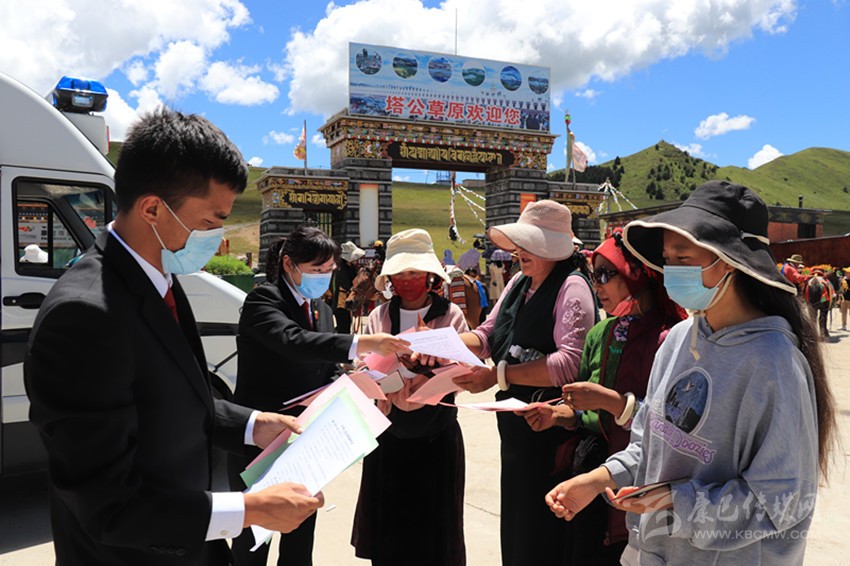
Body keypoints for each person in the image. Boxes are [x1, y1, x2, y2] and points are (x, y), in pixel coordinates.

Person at [24, 108, 325, 565]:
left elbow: (173, 398)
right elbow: (108, 506)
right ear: (152, 209)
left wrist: (252, 424)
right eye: (210, 222)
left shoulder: (157, 276)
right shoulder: (84, 316)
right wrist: (249, 510)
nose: (217, 235)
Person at [545, 181, 835, 565]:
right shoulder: (679, 339)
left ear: (730, 261)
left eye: (683, 258)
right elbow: (651, 441)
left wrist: (676, 503)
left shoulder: (773, 362)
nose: (671, 272)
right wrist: (600, 478)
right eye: (667, 259)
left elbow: (783, 500)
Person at [228, 226, 408, 566]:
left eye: (329, 270)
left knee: (300, 533)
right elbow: (292, 341)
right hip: (261, 437)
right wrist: (361, 342)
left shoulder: (321, 310)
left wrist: (354, 380)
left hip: (306, 441)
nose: (323, 277)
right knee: (252, 540)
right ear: (288, 264)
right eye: (316, 269)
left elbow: (324, 367)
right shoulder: (264, 299)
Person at [520, 230, 687, 564]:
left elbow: (671, 425)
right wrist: (561, 415)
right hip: (591, 471)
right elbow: (588, 416)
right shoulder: (600, 333)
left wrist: (612, 402)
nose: (596, 286)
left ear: (635, 274)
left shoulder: (671, 338)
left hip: (638, 476)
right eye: (592, 275)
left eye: (604, 275)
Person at [451, 200, 598, 566]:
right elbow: (488, 334)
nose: (519, 253)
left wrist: (497, 375)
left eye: (530, 244)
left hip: (550, 430)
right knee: (518, 523)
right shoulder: (520, 282)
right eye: (520, 245)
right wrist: (442, 344)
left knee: (541, 531)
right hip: (516, 429)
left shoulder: (572, 286)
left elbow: (569, 363)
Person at [351, 228, 468, 566]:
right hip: (388, 437)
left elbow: (464, 372)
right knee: (390, 532)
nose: (406, 281)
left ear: (430, 276)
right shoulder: (379, 315)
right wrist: (381, 377)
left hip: (436, 436)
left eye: (414, 273)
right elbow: (364, 366)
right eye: (399, 274)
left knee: (435, 533)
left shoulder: (450, 315)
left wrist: (428, 370)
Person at [333, 241, 365, 334]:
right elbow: (347, 285)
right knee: (344, 328)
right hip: (341, 303)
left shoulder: (350, 267)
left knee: (347, 325)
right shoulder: (341, 269)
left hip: (347, 302)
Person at [805, 268, 833, 340]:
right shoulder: (826, 281)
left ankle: (812, 333)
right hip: (824, 300)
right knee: (823, 315)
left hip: (811, 300)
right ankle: (823, 332)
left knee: (812, 316)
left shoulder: (810, 281)